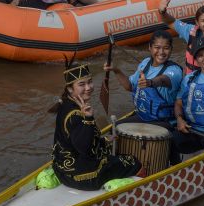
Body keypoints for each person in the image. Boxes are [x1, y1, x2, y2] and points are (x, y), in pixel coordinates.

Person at [51, 61, 144, 191]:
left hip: (61, 170)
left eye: (89, 82)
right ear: (70, 88)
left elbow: (74, 141)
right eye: (82, 84)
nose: (88, 87)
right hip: (82, 178)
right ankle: (141, 192)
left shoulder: (65, 104)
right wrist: (88, 118)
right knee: (133, 161)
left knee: (112, 154)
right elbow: (85, 149)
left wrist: (104, 140)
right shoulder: (76, 114)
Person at [108, 30, 183, 127]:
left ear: (171, 49)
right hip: (144, 116)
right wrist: (116, 70)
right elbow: (129, 87)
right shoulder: (145, 63)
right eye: (157, 47)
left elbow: (163, 80)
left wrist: (150, 82)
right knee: (115, 128)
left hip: (164, 121)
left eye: (166, 48)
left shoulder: (175, 70)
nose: (161, 52)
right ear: (150, 47)